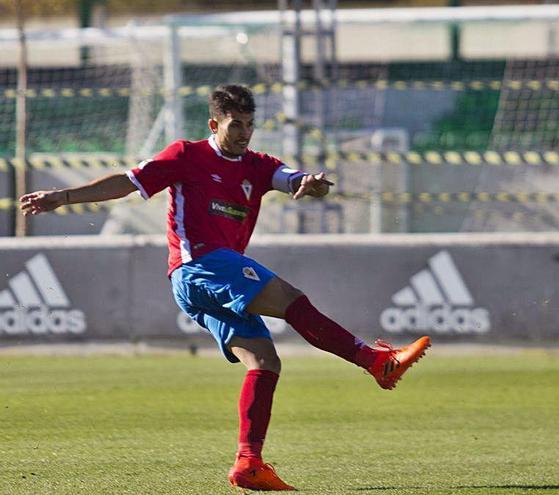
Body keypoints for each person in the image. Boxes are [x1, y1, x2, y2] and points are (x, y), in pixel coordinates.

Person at [19, 84, 431, 492]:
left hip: (202, 280)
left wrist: (311, 183)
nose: (244, 133)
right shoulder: (186, 154)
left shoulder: (256, 164)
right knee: (291, 301)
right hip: (198, 264)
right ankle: (374, 361)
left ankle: (248, 463)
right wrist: (63, 196)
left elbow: (289, 177)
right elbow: (129, 182)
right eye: (236, 125)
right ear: (214, 123)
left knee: (265, 362)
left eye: (250, 125)